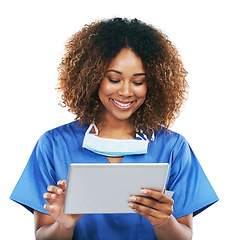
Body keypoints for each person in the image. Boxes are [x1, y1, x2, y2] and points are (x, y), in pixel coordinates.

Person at [10, 18, 218, 240]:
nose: (126, 92)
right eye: (114, 79)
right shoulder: (53, 145)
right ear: (91, 77)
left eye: (138, 82)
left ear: (153, 84)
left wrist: (163, 222)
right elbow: (43, 236)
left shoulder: (173, 147)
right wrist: (64, 225)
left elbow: (184, 236)